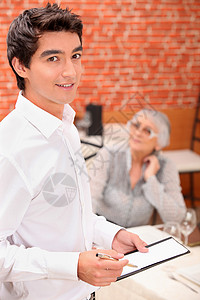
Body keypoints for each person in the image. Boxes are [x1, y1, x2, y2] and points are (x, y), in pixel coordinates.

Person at [0, 3, 148, 300]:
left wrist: (111, 235)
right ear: (21, 66)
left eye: (76, 56)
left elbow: (66, 213)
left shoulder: (66, 125)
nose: (71, 71)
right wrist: (72, 266)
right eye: (53, 58)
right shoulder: (10, 149)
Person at [89, 109, 186, 228]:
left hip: (139, 236)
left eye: (147, 131)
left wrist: (151, 179)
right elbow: (89, 200)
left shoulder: (165, 166)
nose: (138, 133)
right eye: (136, 126)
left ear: (159, 143)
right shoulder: (109, 154)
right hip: (104, 230)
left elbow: (177, 217)